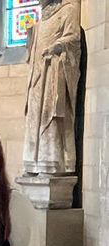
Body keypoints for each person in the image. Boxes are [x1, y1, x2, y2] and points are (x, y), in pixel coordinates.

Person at [22, 0, 81, 174]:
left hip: (53, 73)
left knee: (52, 115)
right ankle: (33, 163)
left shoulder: (68, 10)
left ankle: (51, 164)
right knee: (34, 118)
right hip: (37, 77)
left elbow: (73, 37)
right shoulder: (42, 18)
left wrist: (57, 46)